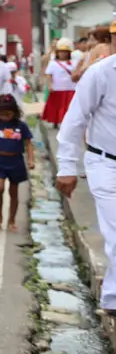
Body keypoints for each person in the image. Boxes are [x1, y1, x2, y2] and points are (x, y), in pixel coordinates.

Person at [58, 56, 116, 312]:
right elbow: (75, 119)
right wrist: (67, 167)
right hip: (106, 163)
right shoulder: (100, 73)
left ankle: (112, 296)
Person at [0, 95, 34, 233]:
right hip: (0, 161)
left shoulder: (21, 126)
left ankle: (12, 220)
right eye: (2, 114)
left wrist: (30, 160)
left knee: (14, 191)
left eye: (8, 114)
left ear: (15, 112)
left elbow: (28, 143)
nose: (5, 117)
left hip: (16, 161)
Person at [43, 38, 82, 124]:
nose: (63, 53)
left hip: (71, 88)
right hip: (57, 89)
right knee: (57, 107)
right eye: (61, 52)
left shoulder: (74, 62)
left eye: (65, 52)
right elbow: (49, 74)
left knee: (70, 108)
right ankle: (57, 123)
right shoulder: (52, 63)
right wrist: (50, 85)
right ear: (57, 53)